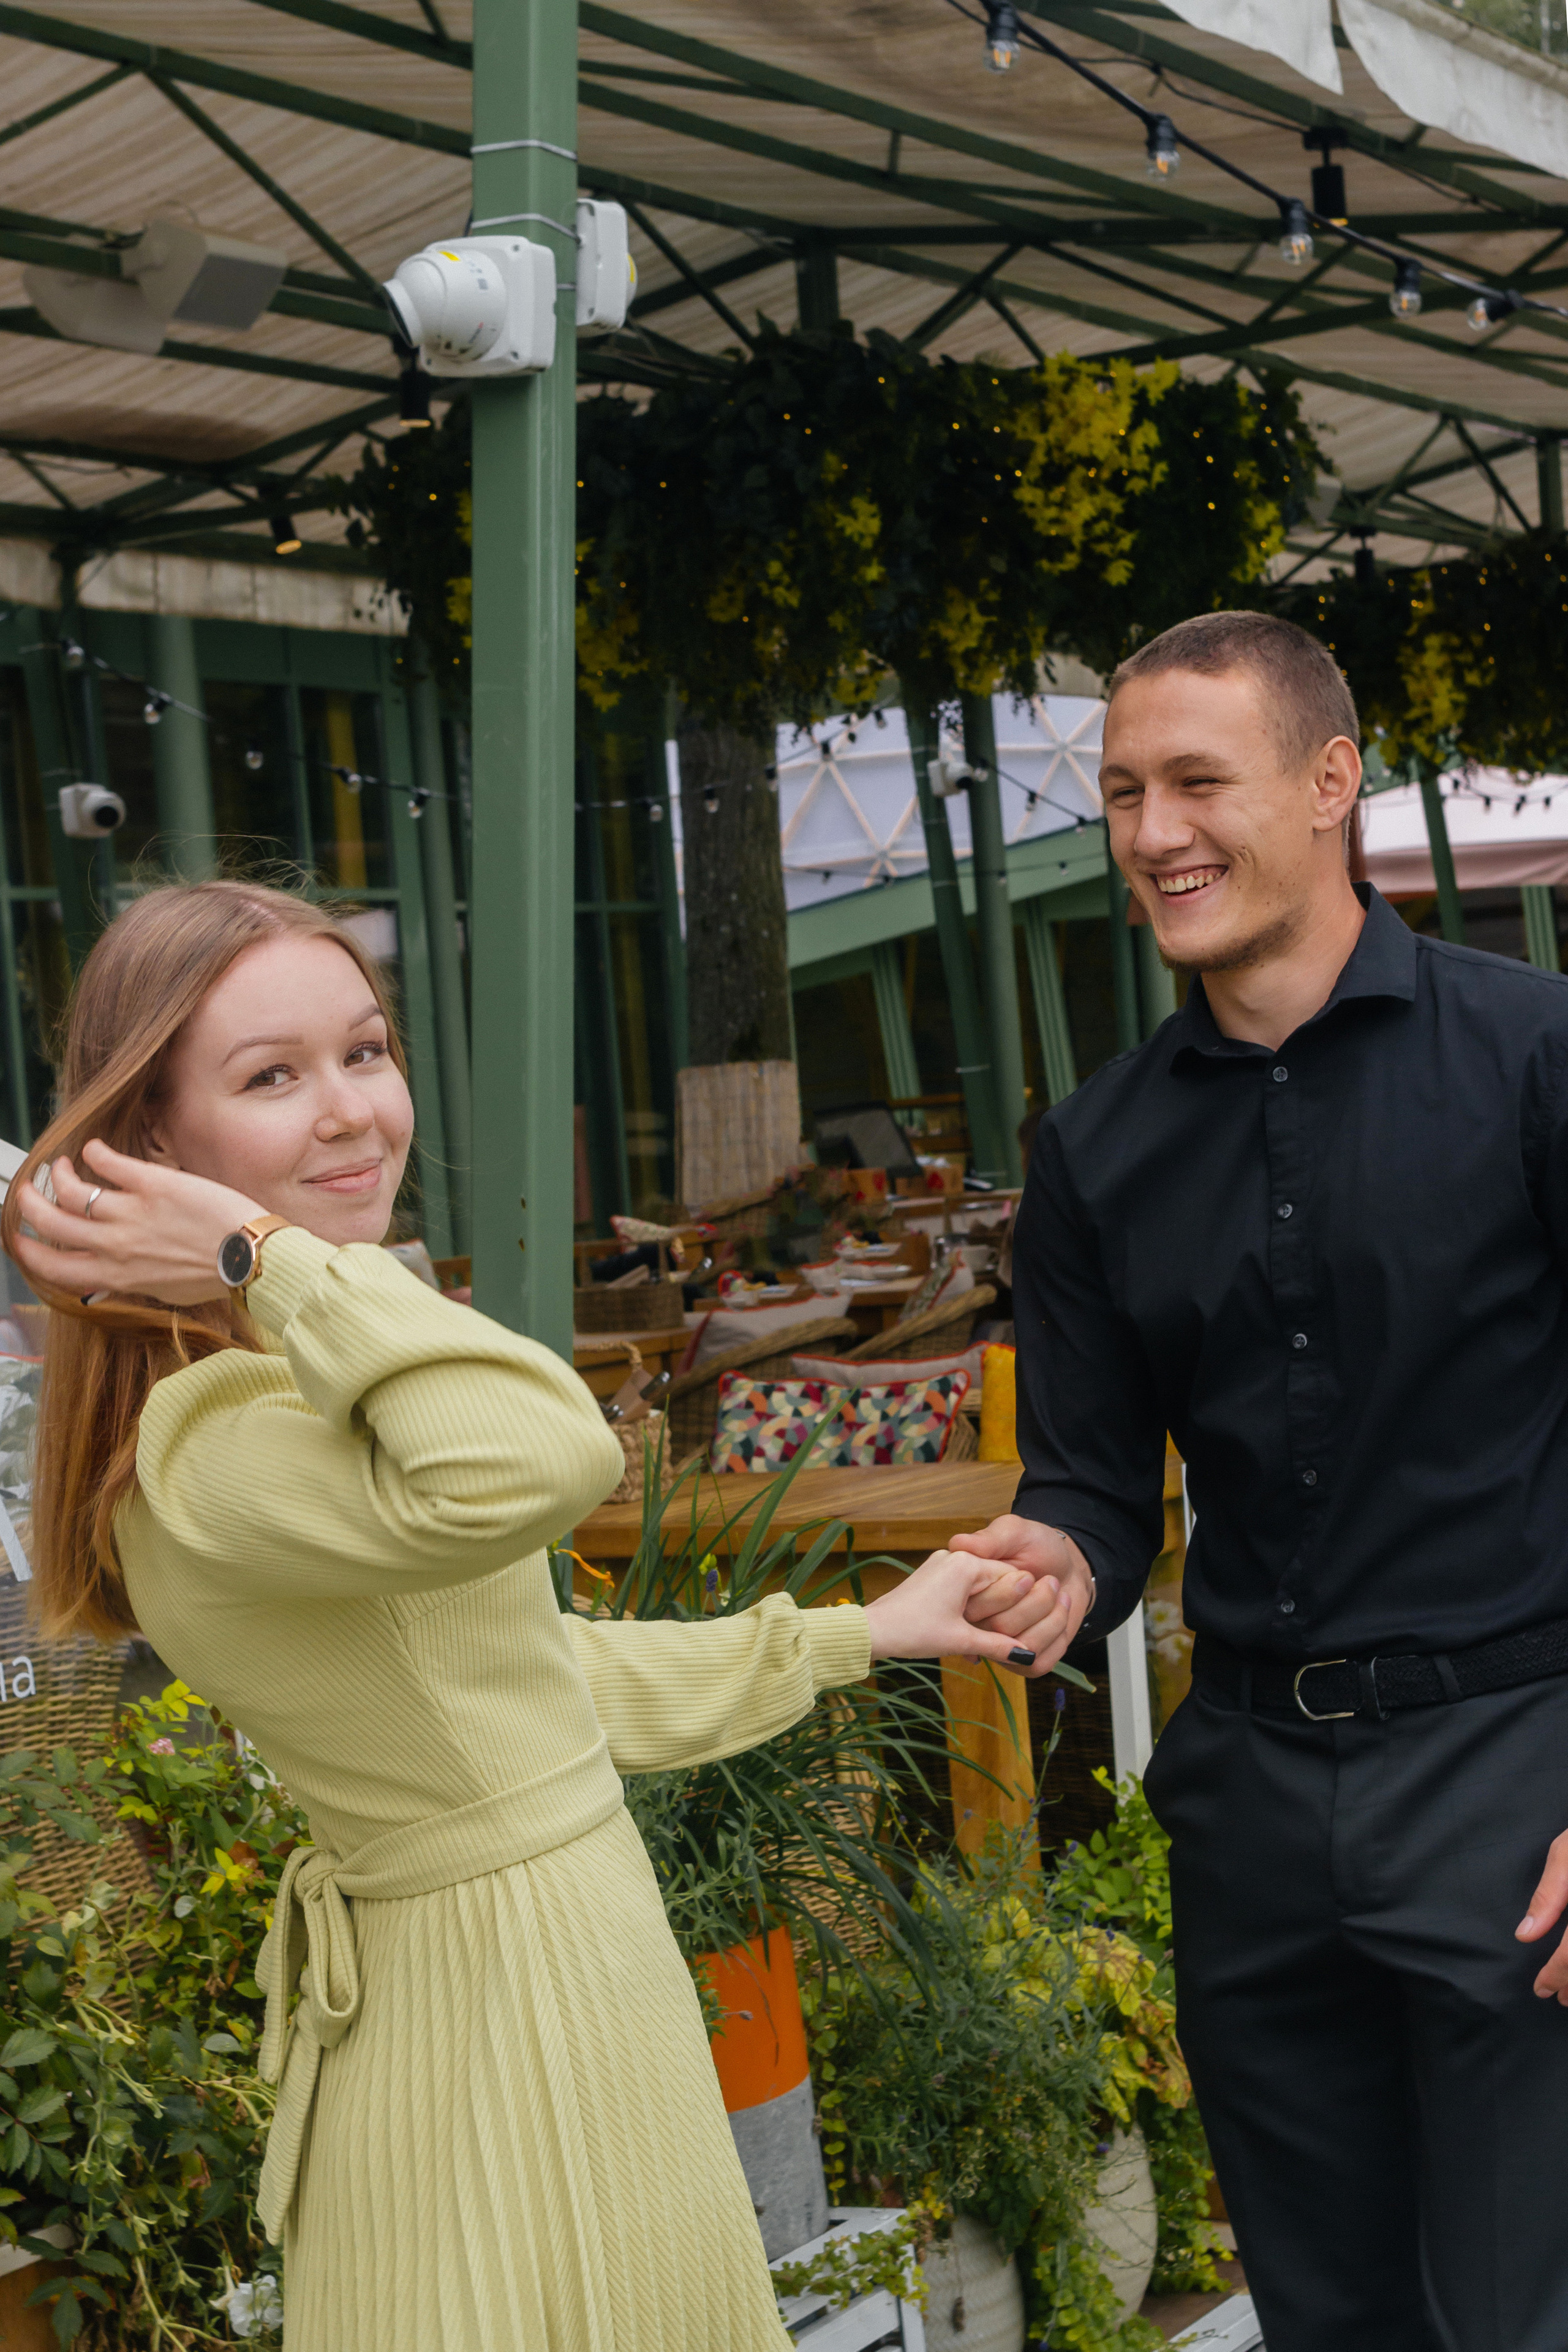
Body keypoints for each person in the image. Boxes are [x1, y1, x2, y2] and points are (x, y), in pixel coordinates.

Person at [0, 879, 1074, 2352]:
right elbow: (552, 1451)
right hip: (503, 2011)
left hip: (546, 1973)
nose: (351, 1112)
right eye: (270, 1077)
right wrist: (266, 1257)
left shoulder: (280, 1395)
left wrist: (863, 1632)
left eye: (365, 1052)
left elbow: (524, 1682)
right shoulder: (217, 1438)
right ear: (155, 1154)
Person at [949, 610, 1568, 2352]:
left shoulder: (1538, 1059)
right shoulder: (1096, 1149)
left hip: (1516, 1776)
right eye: (1125, 792)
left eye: (1198, 782)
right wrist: (1052, 1562)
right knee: (1325, 2316)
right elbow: (1089, 1478)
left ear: (1329, 783)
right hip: (1253, 1807)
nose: (1154, 835)